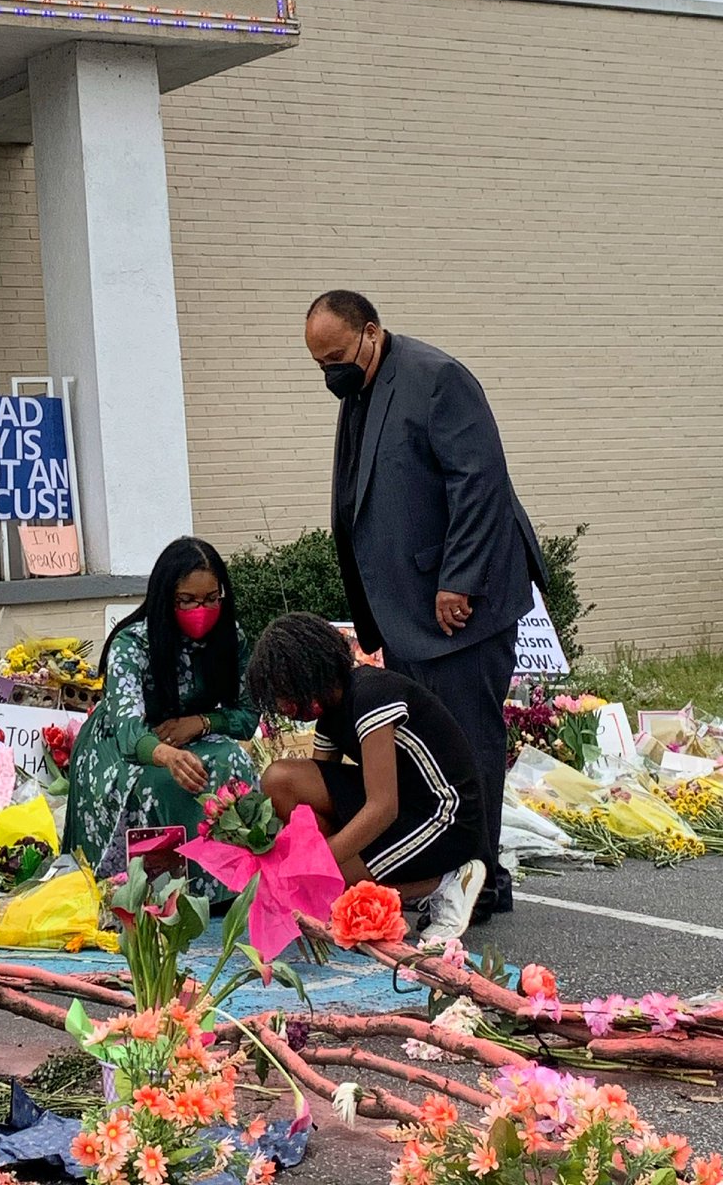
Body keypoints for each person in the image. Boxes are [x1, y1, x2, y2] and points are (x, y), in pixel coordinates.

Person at [304, 289, 548, 921]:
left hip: (458, 609)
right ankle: (448, 871)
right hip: (405, 614)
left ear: (372, 333)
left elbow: (481, 482)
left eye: (336, 356)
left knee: (469, 743)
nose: (330, 372)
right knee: (431, 751)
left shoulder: (437, 379)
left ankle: (484, 876)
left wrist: (458, 580)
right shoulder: (362, 389)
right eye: (319, 363)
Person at [248, 613, 487, 942]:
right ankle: (355, 890)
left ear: (310, 671)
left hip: (444, 817)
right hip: (405, 808)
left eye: (288, 692)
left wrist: (316, 864)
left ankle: (445, 882)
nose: (285, 707)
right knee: (279, 779)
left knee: (329, 875)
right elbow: (308, 804)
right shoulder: (330, 715)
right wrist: (271, 850)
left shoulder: (371, 695)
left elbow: (383, 806)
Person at [63, 537, 261, 900]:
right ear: (165, 597)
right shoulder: (133, 643)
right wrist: (166, 755)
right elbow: (127, 731)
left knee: (233, 761)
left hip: (190, 734)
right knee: (161, 783)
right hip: (121, 748)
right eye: (187, 600)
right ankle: (155, 892)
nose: (201, 609)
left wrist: (201, 723)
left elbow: (247, 716)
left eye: (211, 598)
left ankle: (225, 889)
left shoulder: (230, 638)